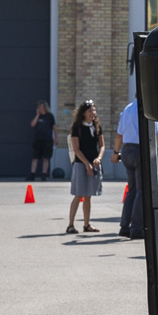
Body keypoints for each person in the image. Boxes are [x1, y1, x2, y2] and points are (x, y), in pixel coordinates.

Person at [66, 100, 105, 234]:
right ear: (83, 113)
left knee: (88, 196)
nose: (93, 113)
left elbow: (102, 146)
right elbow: (76, 149)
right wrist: (87, 164)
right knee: (78, 195)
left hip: (93, 164)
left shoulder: (96, 126)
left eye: (94, 110)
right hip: (80, 164)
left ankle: (86, 225)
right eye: (90, 111)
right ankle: (70, 225)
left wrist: (99, 158)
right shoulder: (77, 128)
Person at [115, 94, 144, 239]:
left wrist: (116, 152)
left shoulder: (127, 109)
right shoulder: (146, 109)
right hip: (140, 149)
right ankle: (137, 229)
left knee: (131, 190)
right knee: (141, 191)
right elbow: (156, 135)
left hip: (126, 149)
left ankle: (124, 226)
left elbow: (119, 135)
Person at [29, 100, 56, 182]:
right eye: (38, 107)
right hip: (38, 140)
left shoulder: (50, 116)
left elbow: (54, 128)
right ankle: (32, 175)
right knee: (35, 158)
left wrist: (56, 138)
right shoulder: (38, 116)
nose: (39, 108)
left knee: (46, 158)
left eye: (40, 107)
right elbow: (32, 124)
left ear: (44, 107)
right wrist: (37, 115)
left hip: (47, 140)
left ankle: (44, 175)